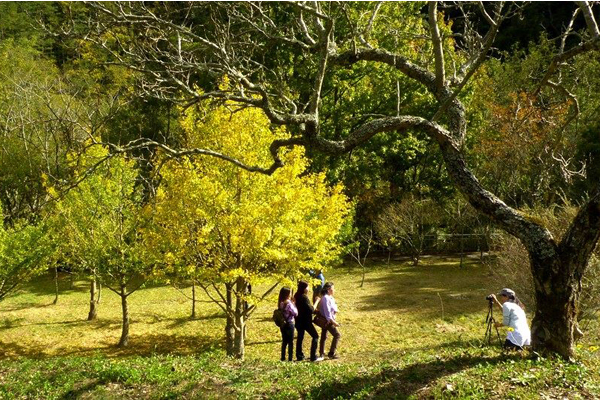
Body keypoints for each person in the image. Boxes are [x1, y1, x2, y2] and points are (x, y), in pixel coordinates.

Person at [294, 281, 323, 362]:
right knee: (315, 336)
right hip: (305, 321)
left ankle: (299, 356)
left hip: (298, 320)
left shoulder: (296, 295)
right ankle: (313, 356)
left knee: (300, 337)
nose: (308, 288)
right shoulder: (303, 297)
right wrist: (317, 301)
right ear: (304, 288)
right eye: (307, 287)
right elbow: (311, 310)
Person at [318, 282, 341, 359]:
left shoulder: (330, 297)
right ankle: (331, 353)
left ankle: (321, 353)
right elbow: (327, 312)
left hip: (328, 320)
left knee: (324, 335)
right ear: (328, 290)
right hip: (327, 321)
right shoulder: (325, 298)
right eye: (332, 288)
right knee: (337, 335)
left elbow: (333, 308)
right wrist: (333, 322)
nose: (334, 290)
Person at [278, 287, 298, 361]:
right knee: (290, 342)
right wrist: (294, 304)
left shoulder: (281, 302)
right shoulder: (289, 303)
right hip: (289, 323)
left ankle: (283, 357)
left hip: (283, 324)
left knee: (284, 341)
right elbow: (295, 313)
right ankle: (290, 358)